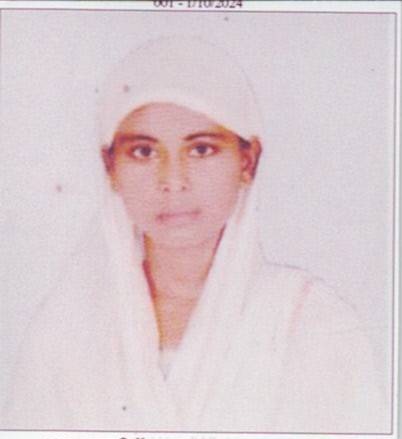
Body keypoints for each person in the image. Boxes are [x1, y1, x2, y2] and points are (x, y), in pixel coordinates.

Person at [2, 36, 389, 433]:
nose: (173, 180)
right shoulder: (65, 332)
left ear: (248, 161)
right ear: (110, 167)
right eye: (144, 152)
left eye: (201, 150)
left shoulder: (311, 322)